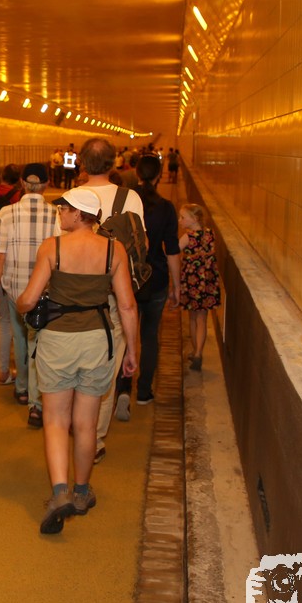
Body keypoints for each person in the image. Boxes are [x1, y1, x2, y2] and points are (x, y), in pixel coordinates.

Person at [16, 187, 139, 534]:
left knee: (56, 420)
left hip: (57, 341)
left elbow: (29, 299)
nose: (60, 214)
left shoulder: (52, 248)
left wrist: (21, 304)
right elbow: (127, 306)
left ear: (77, 213)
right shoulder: (114, 250)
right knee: (86, 423)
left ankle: (60, 493)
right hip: (98, 340)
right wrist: (133, 351)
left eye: (63, 209)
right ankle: (82, 493)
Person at [79, 137, 147, 462]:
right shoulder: (130, 198)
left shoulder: (71, 199)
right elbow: (141, 246)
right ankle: (94, 440)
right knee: (105, 370)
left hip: (76, 296)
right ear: (114, 162)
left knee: (77, 366)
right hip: (113, 295)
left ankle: (77, 429)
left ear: (81, 162)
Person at [0, 163, 59, 427]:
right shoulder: (57, 214)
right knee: (39, 342)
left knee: (20, 338)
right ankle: (37, 402)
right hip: (46, 292)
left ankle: (23, 388)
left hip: (15, 292)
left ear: (23, 184)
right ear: (47, 184)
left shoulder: (6, 213)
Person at [113, 154, 181, 416]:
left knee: (125, 334)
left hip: (127, 279)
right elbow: (172, 250)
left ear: (137, 174)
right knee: (150, 336)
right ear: (159, 174)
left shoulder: (127, 204)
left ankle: (123, 388)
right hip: (156, 279)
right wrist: (176, 286)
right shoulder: (166, 208)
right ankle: (144, 391)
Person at [179, 203, 221, 371]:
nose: (180, 220)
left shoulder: (188, 237)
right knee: (202, 319)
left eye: (183, 217)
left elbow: (174, 250)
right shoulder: (210, 233)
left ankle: (194, 350)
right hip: (207, 282)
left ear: (194, 219)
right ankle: (198, 353)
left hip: (192, 281)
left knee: (192, 317)